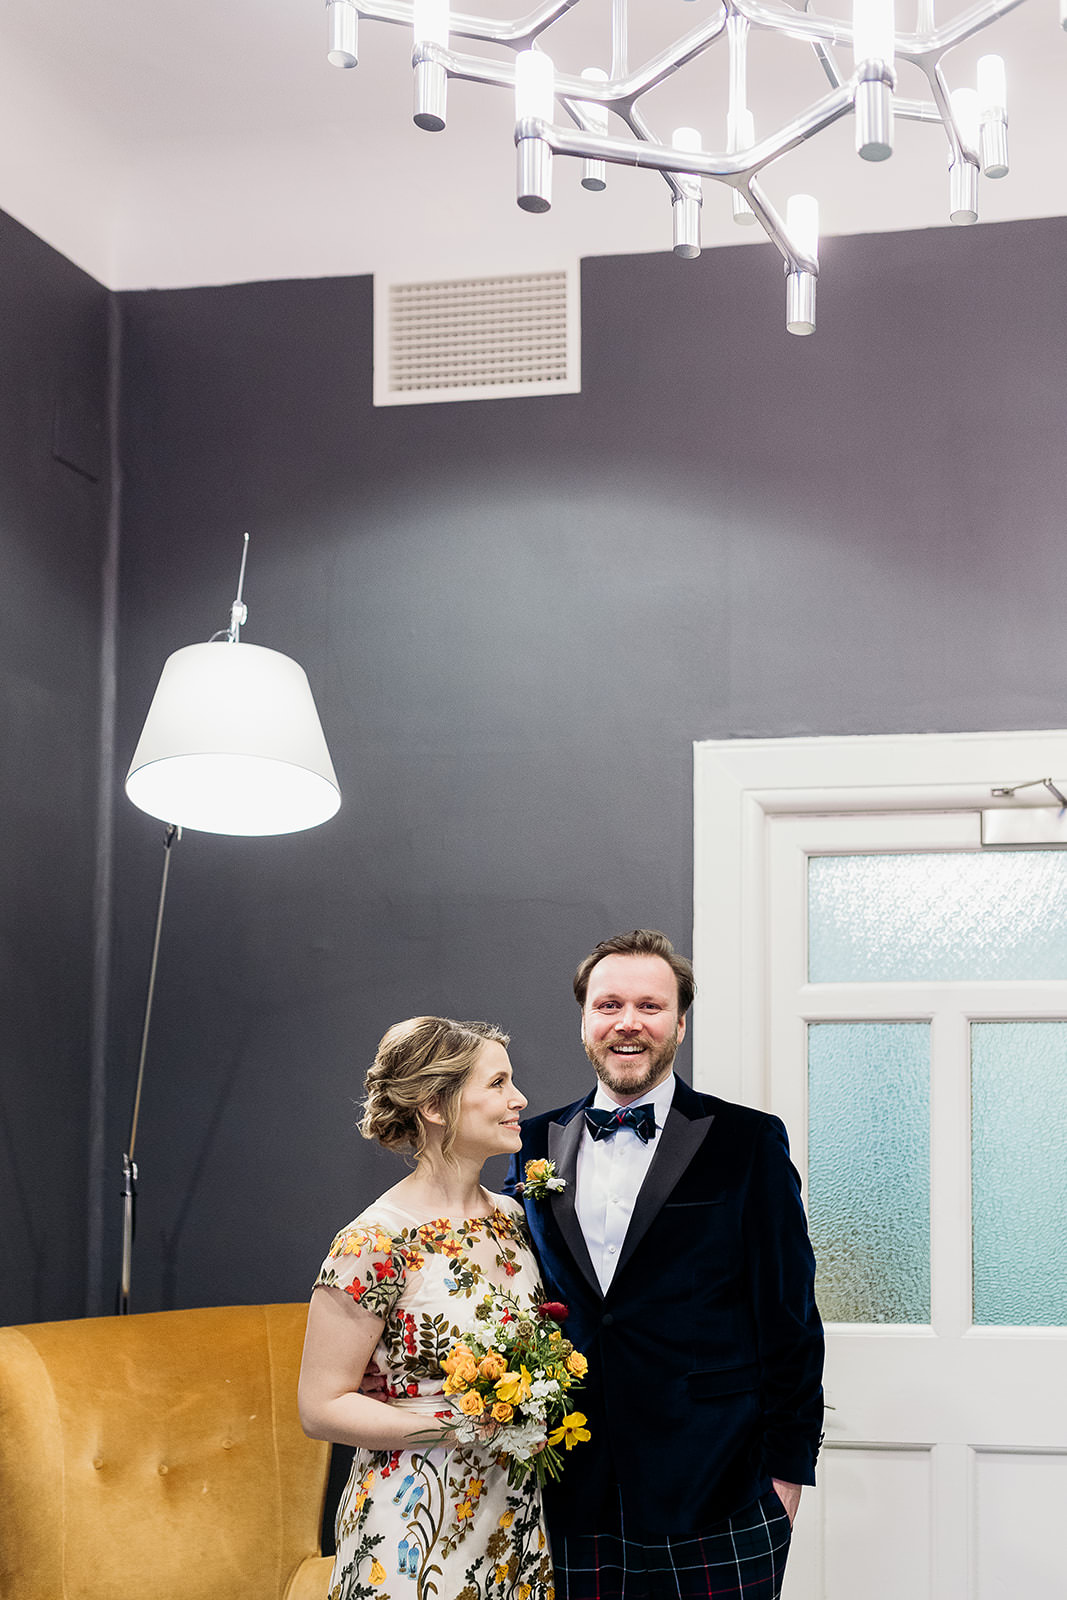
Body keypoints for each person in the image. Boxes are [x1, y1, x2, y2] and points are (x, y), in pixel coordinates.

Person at [506, 930, 824, 1600]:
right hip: (569, 1489)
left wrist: (785, 1481)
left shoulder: (746, 1140)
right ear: (584, 1020)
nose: (628, 1022)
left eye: (649, 1007)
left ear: (679, 1023)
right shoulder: (532, 1141)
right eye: (609, 1004)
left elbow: (790, 1316)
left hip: (716, 1488)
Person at [299, 1015, 556, 1600]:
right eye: (497, 1084)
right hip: (412, 1527)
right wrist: (461, 1427)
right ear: (437, 1105)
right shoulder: (374, 1243)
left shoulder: (514, 1220)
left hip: (513, 1521)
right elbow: (320, 1408)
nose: (519, 1099)